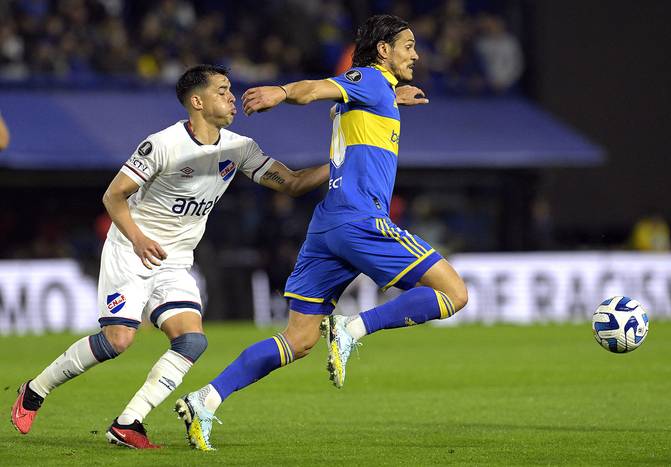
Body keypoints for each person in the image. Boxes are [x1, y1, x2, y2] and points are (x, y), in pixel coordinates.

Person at [175, 15, 468, 451]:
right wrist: (282, 90)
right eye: (407, 45)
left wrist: (394, 97)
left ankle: (206, 398)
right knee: (453, 293)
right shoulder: (368, 78)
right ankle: (353, 329)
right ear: (383, 50)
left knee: (299, 339)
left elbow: (350, 120)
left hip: (326, 226)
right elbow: (315, 89)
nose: (416, 54)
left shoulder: (374, 93)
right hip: (360, 220)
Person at [10, 64, 329, 449]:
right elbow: (113, 196)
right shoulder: (162, 144)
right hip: (132, 249)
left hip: (176, 259)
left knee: (192, 341)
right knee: (117, 341)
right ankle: (35, 389)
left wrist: (346, 159)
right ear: (197, 101)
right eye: (222, 90)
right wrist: (138, 238)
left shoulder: (239, 148)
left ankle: (128, 423)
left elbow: (292, 183)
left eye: (231, 89)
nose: (232, 97)